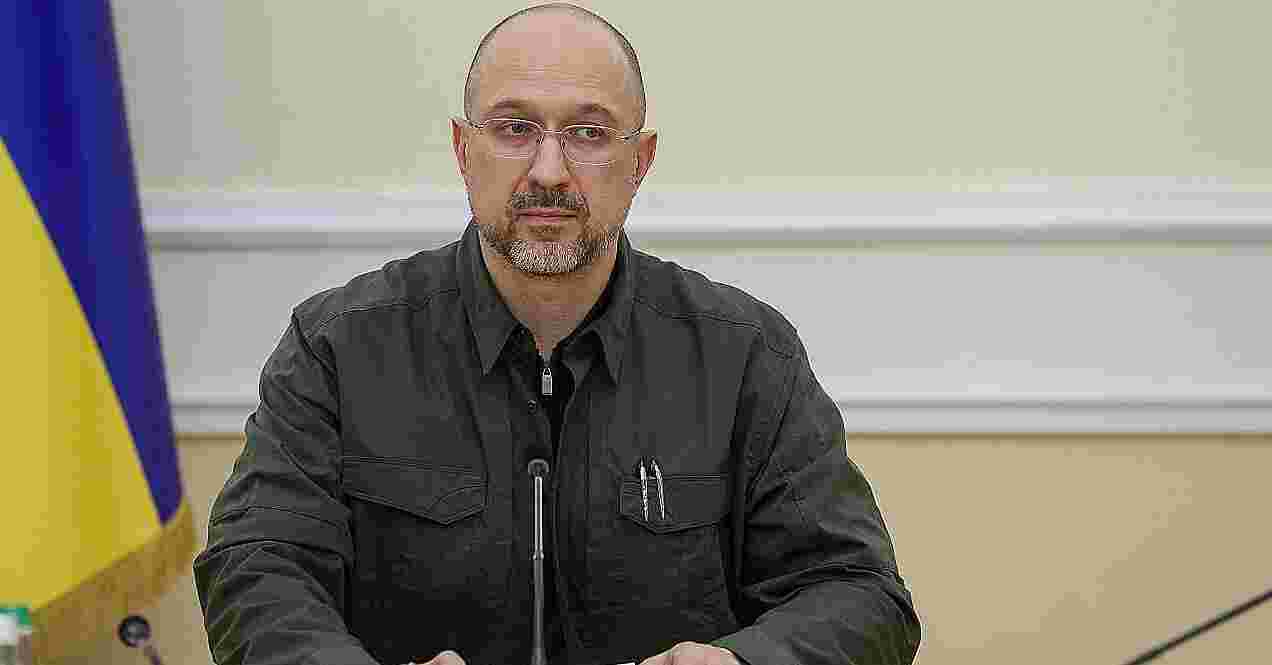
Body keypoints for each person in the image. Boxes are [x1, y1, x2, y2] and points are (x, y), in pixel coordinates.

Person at [194, 4, 921, 664]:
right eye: (514, 128)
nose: (549, 170)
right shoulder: (336, 347)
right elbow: (256, 569)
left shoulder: (747, 355)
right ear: (463, 151)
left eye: (588, 133)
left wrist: (740, 663)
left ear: (640, 162)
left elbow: (860, 594)